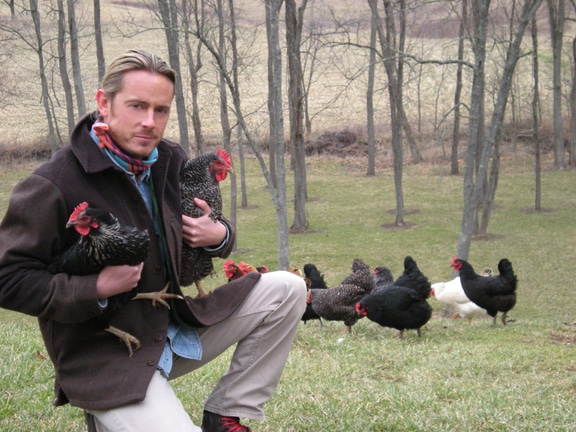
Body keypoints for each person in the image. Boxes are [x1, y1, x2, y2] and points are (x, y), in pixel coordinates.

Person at [0, 49, 307, 432]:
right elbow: (7, 279)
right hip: (106, 356)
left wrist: (218, 235)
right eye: (137, 106)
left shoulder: (169, 160)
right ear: (104, 103)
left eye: (160, 110)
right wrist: (94, 287)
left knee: (289, 288)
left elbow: (209, 232)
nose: (149, 122)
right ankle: (112, 411)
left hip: (175, 328)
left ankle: (225, 413)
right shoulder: (53, 183)